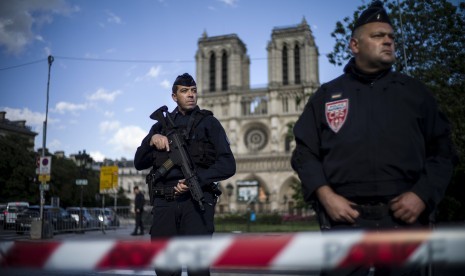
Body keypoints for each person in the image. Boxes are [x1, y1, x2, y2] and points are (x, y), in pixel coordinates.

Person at [291, 1, 456, 275]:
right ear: (355, 46)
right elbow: (304, 152)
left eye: (391, 37)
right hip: (345, 217)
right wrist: (325, 194)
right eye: (378, 36)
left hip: (404, 216)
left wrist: (422, 194)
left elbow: (443, 151)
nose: (388, 42)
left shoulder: (414, 93)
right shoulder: (327, 95)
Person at [134, 73, 236, 276]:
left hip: (196, 205)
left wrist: (196, 180)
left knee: (197, 270)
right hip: (165, 205)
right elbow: (139, 162)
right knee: (166, 270)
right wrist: (152, 139)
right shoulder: (160, 125)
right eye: (184, 91)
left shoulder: (209, 123)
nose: (191, 95)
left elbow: (228, 164)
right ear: (174, 97)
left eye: (194, 90)